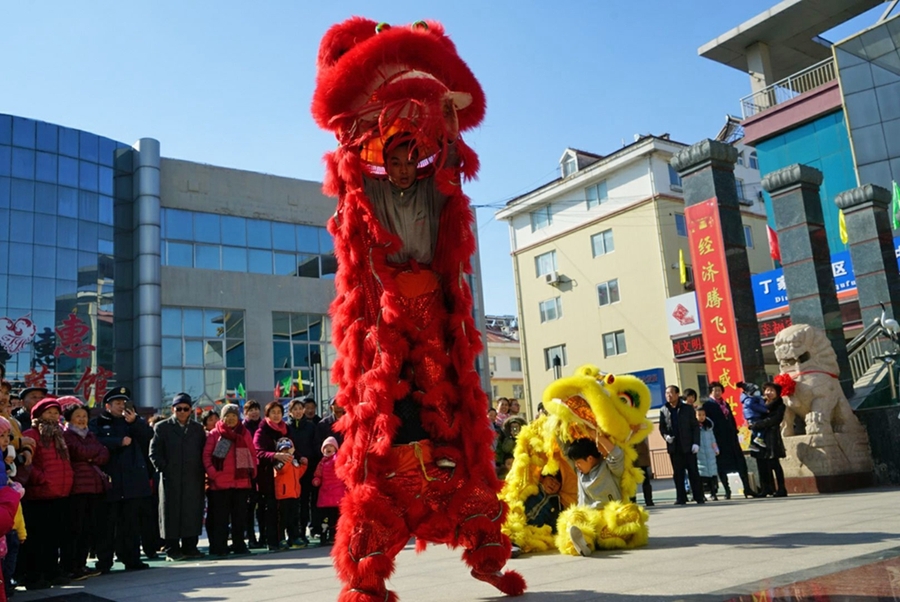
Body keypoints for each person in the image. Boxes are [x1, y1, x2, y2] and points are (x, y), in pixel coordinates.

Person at [90, 386, 153, 573]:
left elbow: (149, 437)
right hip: (111, 481)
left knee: (131, 524)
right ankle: (105, 561)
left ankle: (132, 559)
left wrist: (135, 423)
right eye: (117, 403)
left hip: (133, 481)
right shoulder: (98, 423)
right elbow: (95, 442)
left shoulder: (133, 422)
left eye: (124, 403)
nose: (121, 406)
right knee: (107, 524)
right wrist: (117, 442)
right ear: (108, 405)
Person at [19, 397, 74, 589]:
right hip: (39, 495)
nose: (52, 415)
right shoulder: (31, 434)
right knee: (36, 539)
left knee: (54, 538)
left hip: (59, 493)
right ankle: (34, 576)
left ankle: (52, 572)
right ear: (38, 415)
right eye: (48, 412)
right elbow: (27, 465)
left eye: (55, 412)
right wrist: (41, 478)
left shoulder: (60, 435)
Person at [149, 392, 206, 562]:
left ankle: (190, 546)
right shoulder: (162, 427)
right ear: (172, 409)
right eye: (178, 408)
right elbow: (154, 453)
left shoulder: (197, 429)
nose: (181, 412)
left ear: (190, 410)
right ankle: (172, 548)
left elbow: (204, 452)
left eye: (185, 408)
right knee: (170, 513)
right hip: (170, 478)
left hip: (192, 478)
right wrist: (165, 469)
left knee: (191, 511)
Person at [61, 400, 108, 580]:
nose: (82, 420)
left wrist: (92, 454)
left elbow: (104, 454)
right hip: (77, 489)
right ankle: (70, 566)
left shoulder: (90, 435)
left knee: (88, 529)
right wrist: (92, 454)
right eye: (77, 416)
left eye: (84, 416)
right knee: (74, 529)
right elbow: (78, 452)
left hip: (94, 487)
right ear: (69, 419)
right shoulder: (66, 435)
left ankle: (81, 565)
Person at [203, 404, 256, 557]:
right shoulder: (214, 434)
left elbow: (252, 453)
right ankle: (219, 547)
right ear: (223, 418)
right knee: (220, 518)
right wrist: (213, 474)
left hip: (241, 482)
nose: (231, 419)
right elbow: (206, 457)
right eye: (228, 416)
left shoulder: (244, 433)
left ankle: (239, 544)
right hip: (220, 484)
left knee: (239, 517)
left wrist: (252, 470)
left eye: (234, 416)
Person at [565, 436, 624, 556]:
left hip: (607, 516)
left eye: (579, 462)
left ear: (590, 458)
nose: (576, 466)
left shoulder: (609, 468)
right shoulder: (580, 473)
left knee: (610, 532)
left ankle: (589, 541)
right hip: (587, 516)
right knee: (574, 519)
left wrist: (596, 434)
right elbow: (563, 447)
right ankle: (584, 543)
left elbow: (616, 454)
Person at [702, 382, 758, 499]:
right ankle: (727, 491)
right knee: (722, 466)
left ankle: (747, 488)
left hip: (731, 438)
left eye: (719, 390)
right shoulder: (708, 405)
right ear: (711, 392)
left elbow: (731, 419)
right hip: (719, 440)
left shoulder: (725, 404)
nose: (717, 393)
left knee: (740, 463)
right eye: (715, 390)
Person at [253, 401, 294, 552]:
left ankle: (282, 538)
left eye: (279, 412)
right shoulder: (261, 432)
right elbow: (258, 453)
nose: (276, 415)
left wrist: (300, 457)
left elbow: (292, 447)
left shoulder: (286, 429)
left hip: (285, 478)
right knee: (270, 511)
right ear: (267, 415)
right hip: (268, 478)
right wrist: (275, 455)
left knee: (284, 510)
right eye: (273, 412)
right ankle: (272, 541)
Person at [658, 385, 704, 506]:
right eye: (666, 393)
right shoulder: (663, 409)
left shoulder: (687, 409)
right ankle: (681, 498)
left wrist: (696, 443)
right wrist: (666, 436)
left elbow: (695, 427)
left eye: (671, 393)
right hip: (674, 447)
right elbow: (662, 428)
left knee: (693, 472)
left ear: (677, 394)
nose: (668, 395)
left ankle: (699, 496)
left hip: (688, 446)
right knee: (678, 474)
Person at [286, 397, 319, 545]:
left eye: (300, 409)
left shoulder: (311, 427)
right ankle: (292, 533)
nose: (298, 412)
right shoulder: (286, 428)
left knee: (305, 500)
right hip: (291, 468)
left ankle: (303, 531)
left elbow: (315, 446)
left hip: (308, 468)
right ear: (290, 412)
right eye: (295, 409)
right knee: (292, 502)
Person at [749, 383, 788, 498]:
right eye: (766, 390)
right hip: (757, 437)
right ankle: (766, 488)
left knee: (774, 463)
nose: (768, 393)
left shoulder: (780, 405)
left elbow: (774, 420)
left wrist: (757, 424)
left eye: (771, 390)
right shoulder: (759, 403)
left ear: (777, 393)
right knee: (760, 463)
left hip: (771, 437)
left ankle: (781, 488)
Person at [273, 437, 308, 549]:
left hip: (294, 494)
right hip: (283, 495)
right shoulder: (279, 463)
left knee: (293, 518)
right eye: (284, 450)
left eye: (288, 449)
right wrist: (288, 458)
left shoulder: (293, 462)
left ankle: (294, 538)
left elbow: (298, 474)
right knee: (282, 519)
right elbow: (281, 470)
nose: (287, 452)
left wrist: (303, 465)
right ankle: (281, 539)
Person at [311, 436, 344, 545]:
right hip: (325, 493)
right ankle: (324, 535)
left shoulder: (338, 459)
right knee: (325, 518)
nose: (328, 448)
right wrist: (316, 480)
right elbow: (318, 474)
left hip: (337, 494)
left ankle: (333, 535)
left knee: (335, 517)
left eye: (331, 446)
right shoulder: (322, 462)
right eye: (326, 447)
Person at [241, 399, 264, 548]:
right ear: (245, 413)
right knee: (249, 508)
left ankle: (264, 536)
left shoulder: (264, 426)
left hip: (264, 471)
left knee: (263, 506)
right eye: (251, 410)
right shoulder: (242, 429)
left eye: (256, 409)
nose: (254, 412)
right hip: (248, 471)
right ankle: (251, 537)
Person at [695, 405, 720, 501]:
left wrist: (716, 449)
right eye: (699, 415)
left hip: (710, 454)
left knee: (712, 475)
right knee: (702, 476)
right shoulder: (695, 427)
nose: (701, 417)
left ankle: (713, 493)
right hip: (700, 454)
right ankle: (703, 494)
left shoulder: (708, 427)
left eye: (703, 415)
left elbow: (712, 439)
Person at [738, 381, 769, 451]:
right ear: (750, 392)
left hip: (753, 417)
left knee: (754, 431)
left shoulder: (751, 398)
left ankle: (752, 444)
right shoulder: (749, 400)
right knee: (761, 427)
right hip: (754, 416)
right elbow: (756, 407)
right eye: (755, 391)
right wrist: (765, 410)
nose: (757, 392)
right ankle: (759, 439)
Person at [632, 438, 654, 507]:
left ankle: (634, 500)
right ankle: (648, 500)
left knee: (643, 480)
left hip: (638, 456)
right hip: (637, 456)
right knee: (634, 481)